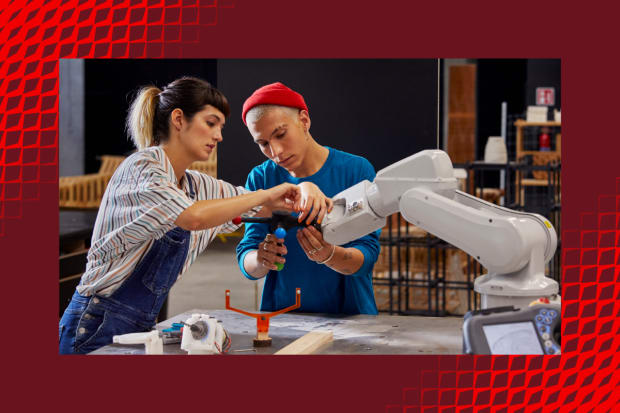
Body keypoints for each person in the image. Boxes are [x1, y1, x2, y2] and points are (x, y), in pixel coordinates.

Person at [58, 77, 331, 354]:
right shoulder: (142, 168)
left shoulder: (196, 185)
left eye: (221, 127)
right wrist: (265, 195)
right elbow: (193, 217)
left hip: (141, 326)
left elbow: (256, 205)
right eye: (211, 123)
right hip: (94, 325)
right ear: (179, 119)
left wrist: (306, 188)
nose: (219, 136)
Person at [236, 82, 380, 315]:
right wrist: (262, 259)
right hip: (283, 316)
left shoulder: (356, 170)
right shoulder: (261, 177)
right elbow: (247, 257)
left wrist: (330, 255)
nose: (276, 152)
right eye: (263, 144)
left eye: (281, 134)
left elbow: (368, 256)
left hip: (350, 316)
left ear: (304, 121)